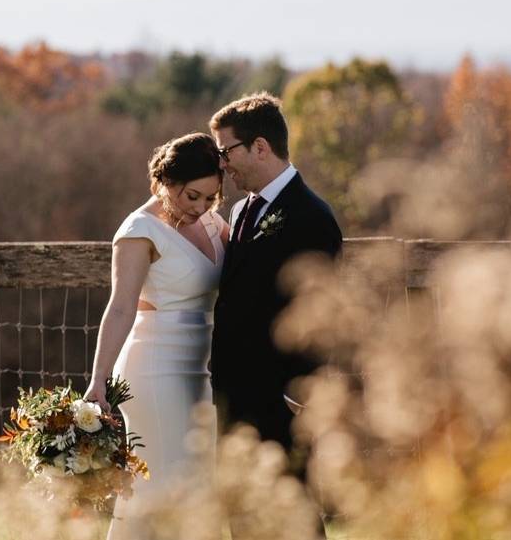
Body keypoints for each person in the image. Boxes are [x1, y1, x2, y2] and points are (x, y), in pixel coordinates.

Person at [84, 132, 229, 539]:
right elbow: (120, 307)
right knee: (162, 486)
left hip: (201, 371)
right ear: (165, 184)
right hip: (155, 368)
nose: (200, 207)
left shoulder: (215, 222)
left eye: (210, 198)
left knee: (199, 484)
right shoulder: (139, 230)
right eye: (191, 196)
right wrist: (99, 379)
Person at [209, 92, 343, 464]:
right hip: (234, 394)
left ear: (261, 147)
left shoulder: (311, 215)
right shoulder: (239, 211)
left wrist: (302, 394)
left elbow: (322, 310)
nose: (222, 164)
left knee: (293, 514)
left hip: (281, 399)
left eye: (227, 151)